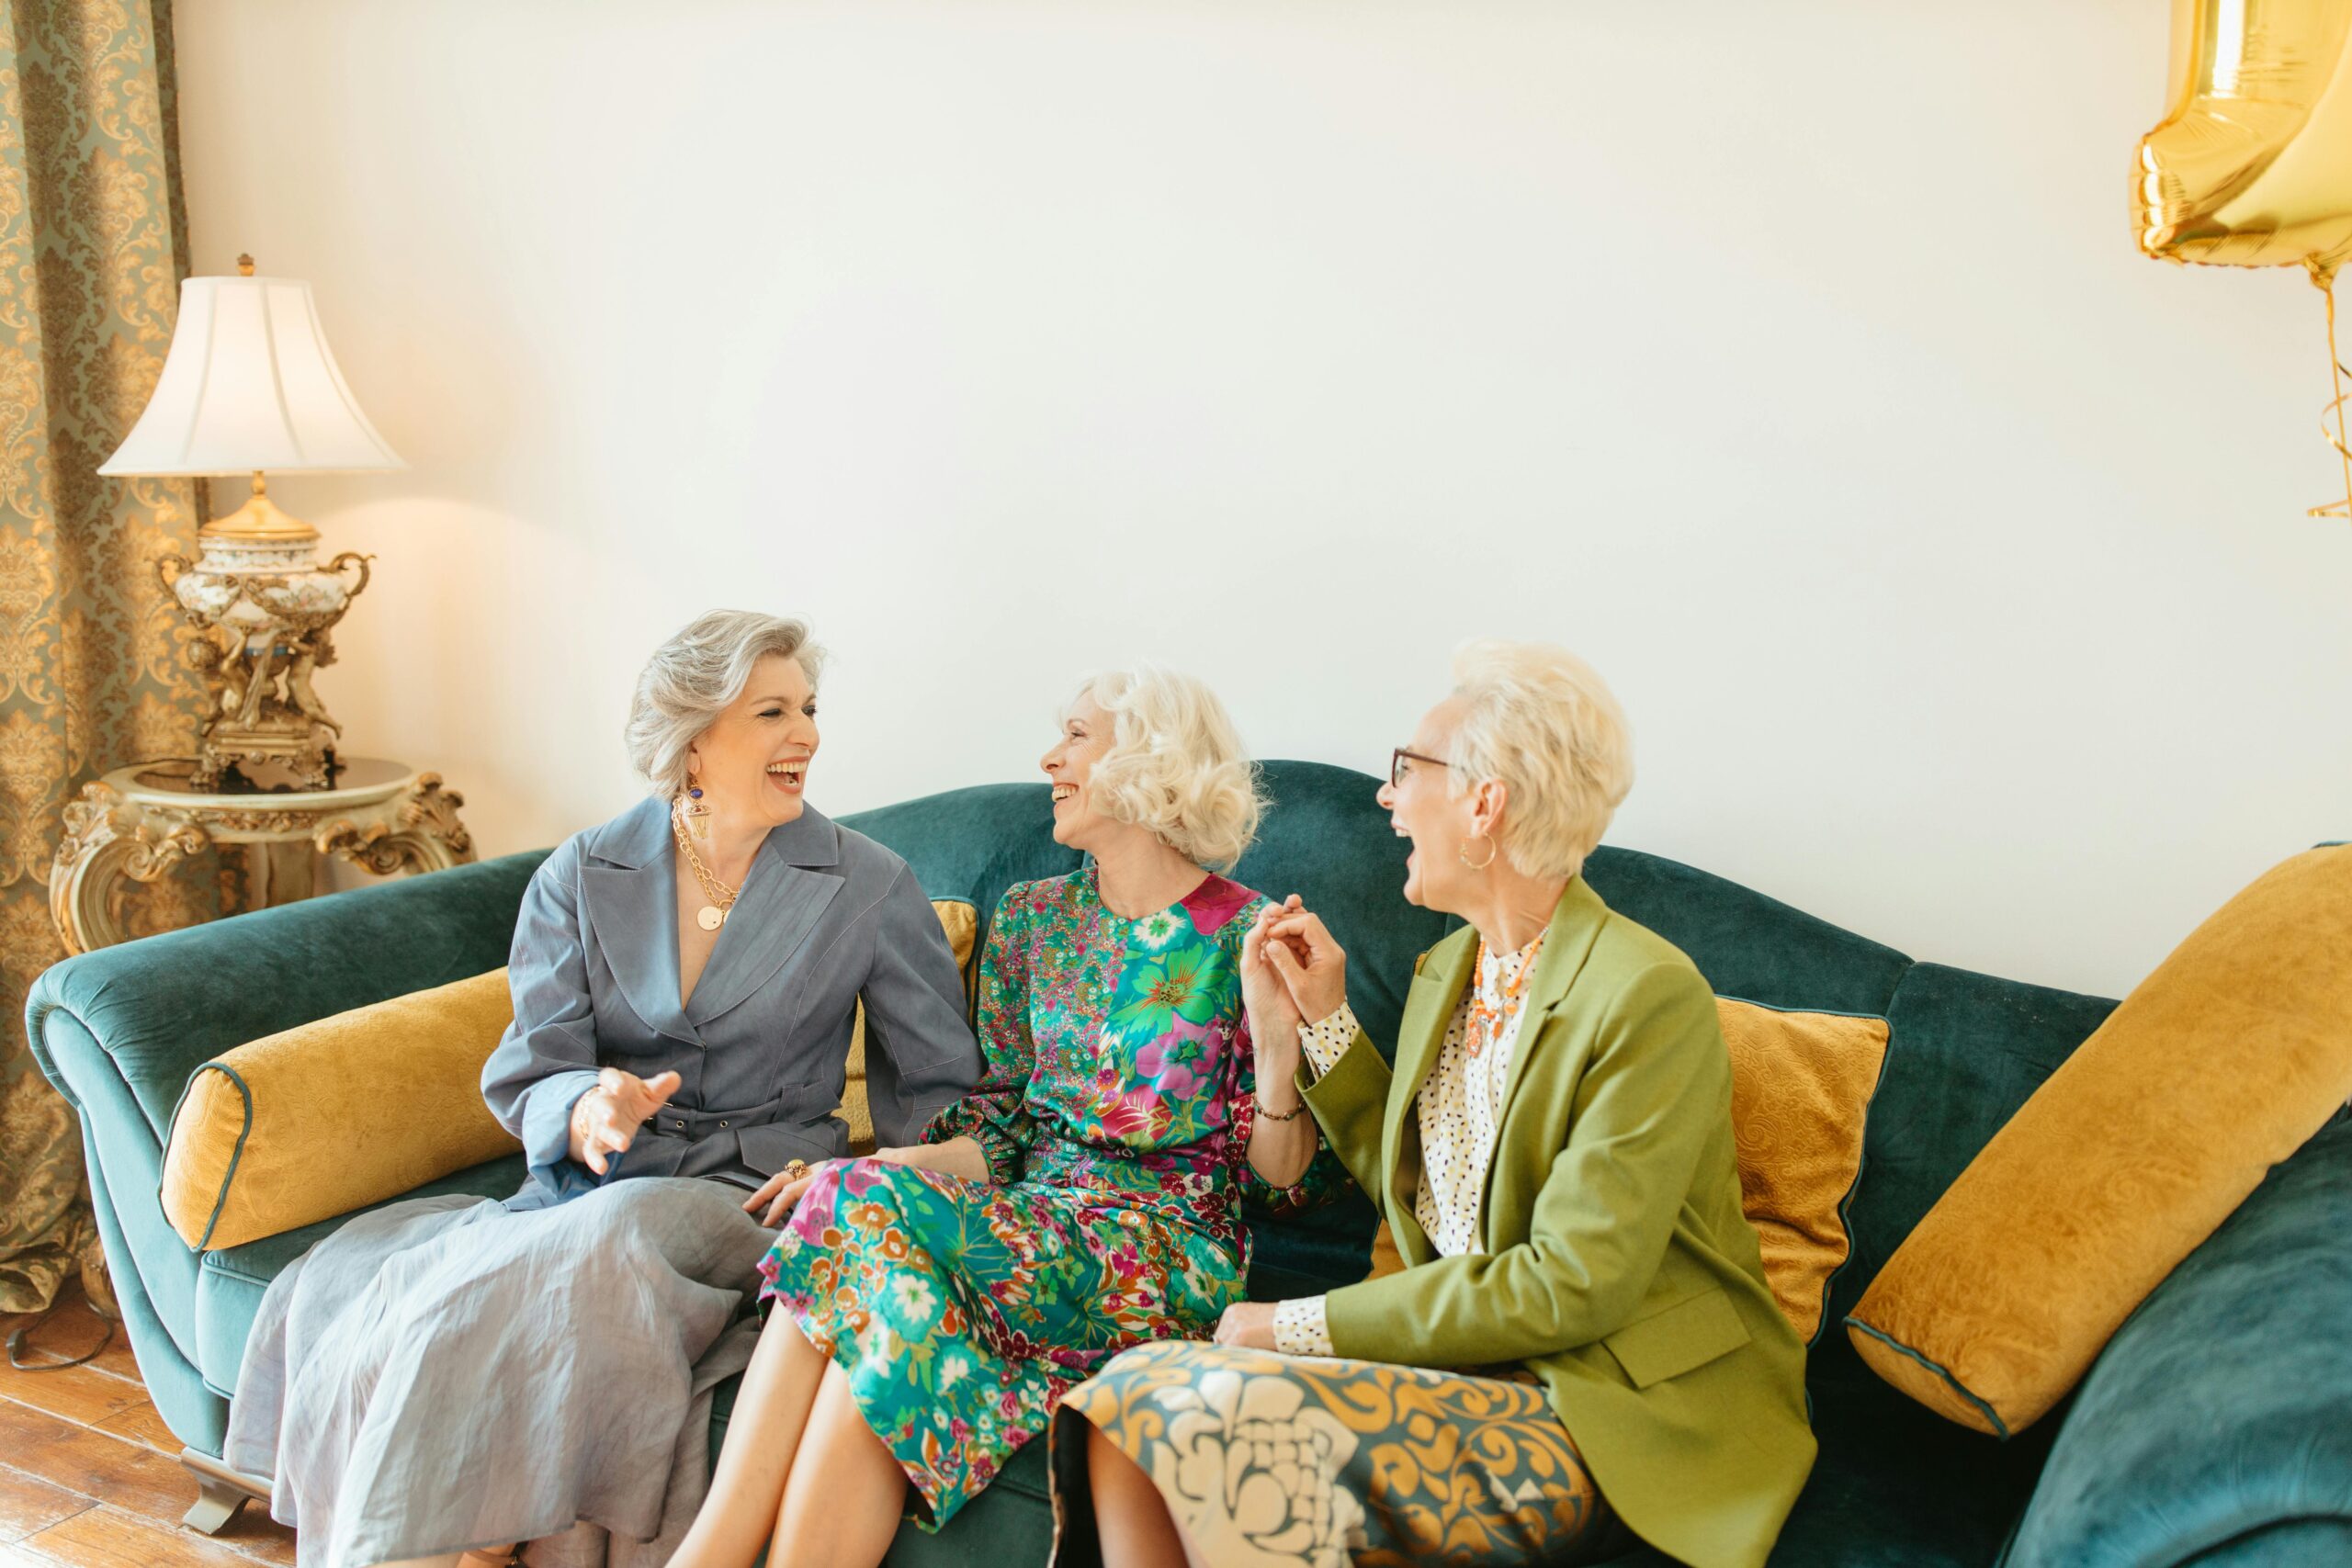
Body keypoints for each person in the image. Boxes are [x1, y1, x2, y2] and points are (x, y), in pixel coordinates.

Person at [226, 610, 982, 1568]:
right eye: (773, 713)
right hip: (588, 1187)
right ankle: (443, 1542)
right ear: (695, 739)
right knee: (386, 1280)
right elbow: (538, 1064)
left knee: (613, 1237)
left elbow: (944, 1100)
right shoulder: (581, 874)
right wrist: (587, 1111)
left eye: (809, 709)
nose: (808, 736)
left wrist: (886, 1188)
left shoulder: (868, 883)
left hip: (748, 1200)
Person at [1060, 640, 1816, 1568]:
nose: (1385, 798)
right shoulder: (1449, 968)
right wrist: (1320, 1020)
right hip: (1471, 1368)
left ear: (1483, 802)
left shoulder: (1646, 994)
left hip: (1605, 1399)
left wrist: (1295, 1324)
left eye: (1404, 771)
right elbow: (1423, 1187)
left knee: (1212, 1413)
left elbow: (1567, 1285)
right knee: (1126, 1394)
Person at [671, 667, 1349, 1568]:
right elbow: (1003, 1136)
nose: (1049, 758)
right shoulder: (1033, 923)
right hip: (1030, 1222)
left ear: (1147, 760)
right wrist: (861, 1177)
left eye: (1076, 736)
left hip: (1162, 1252)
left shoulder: (1249, 935)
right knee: (877, 1295)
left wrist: (1275, 1051)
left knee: (862, 1231)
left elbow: (1287, 1187)